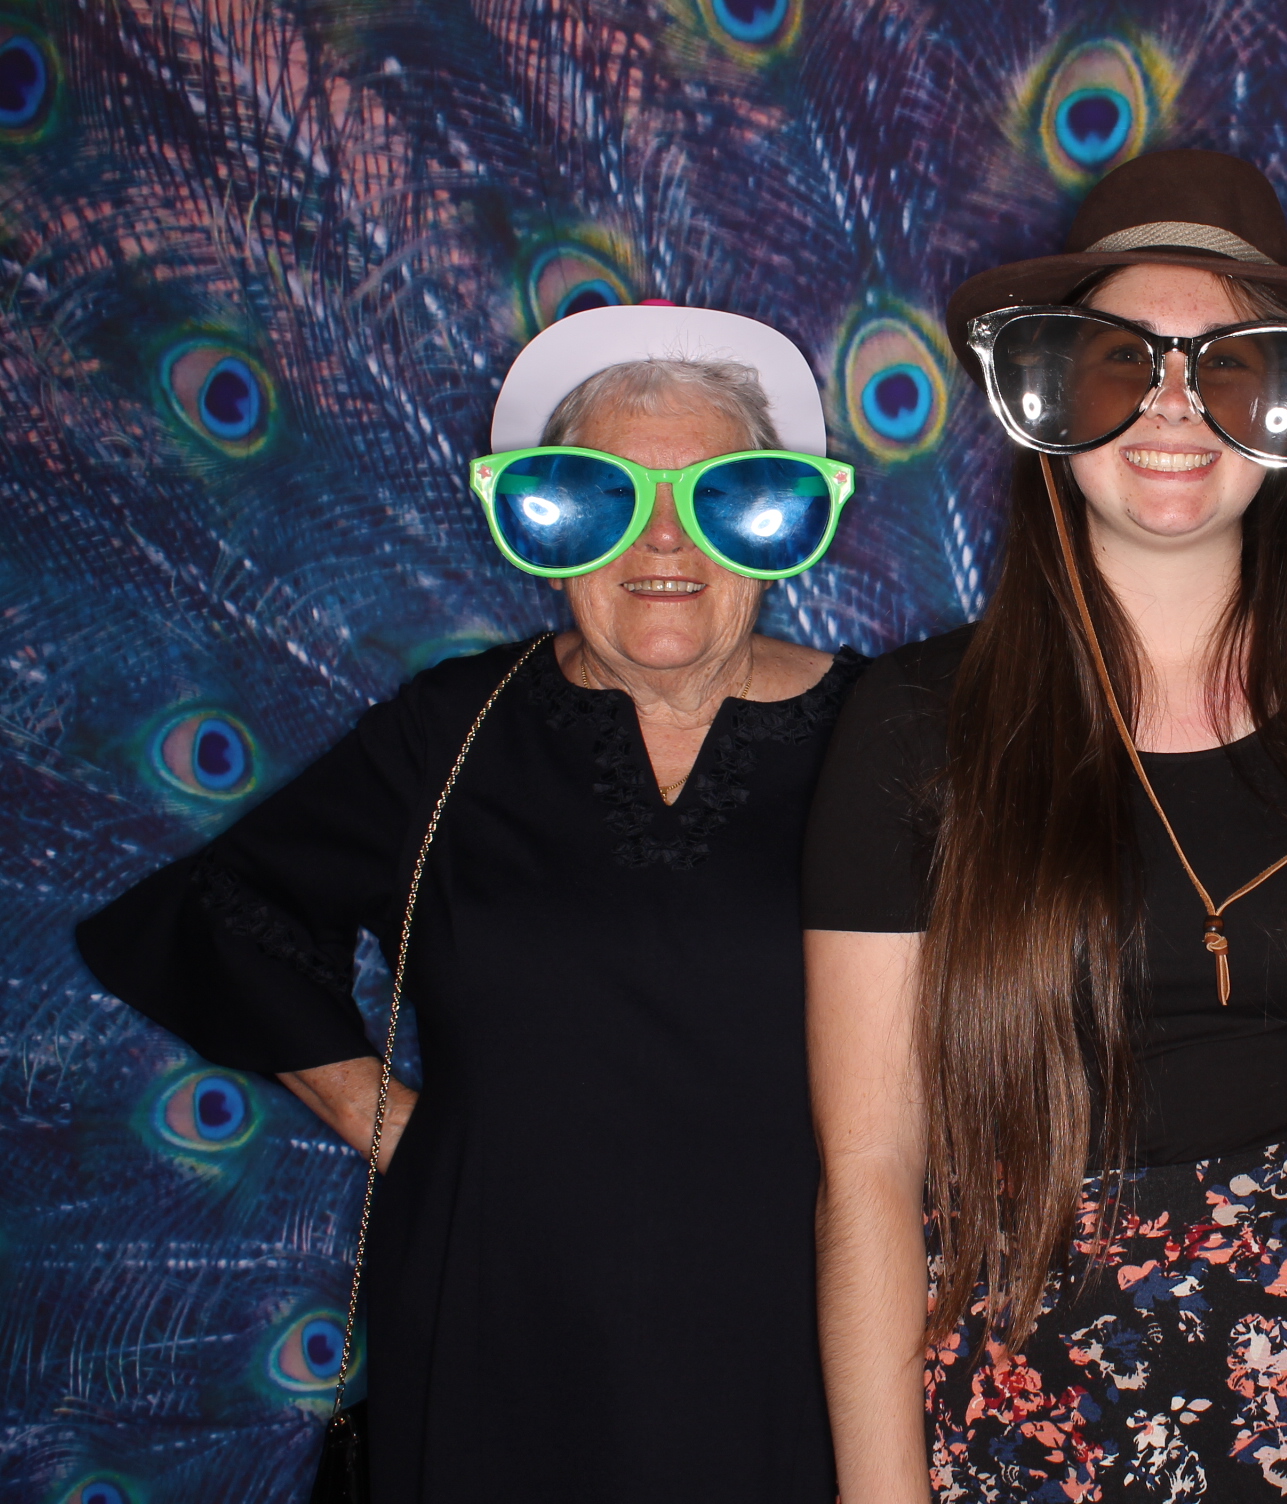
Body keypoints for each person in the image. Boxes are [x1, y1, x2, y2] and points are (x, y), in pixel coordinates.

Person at [802, 149, 1287, 1503]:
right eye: (1121, 362)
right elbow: (869, 1170)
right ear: (1050, 397)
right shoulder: (914, 725)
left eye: (1229, 364)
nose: (1174, 408)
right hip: (1029, 1403)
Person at [75, 304, 865, 1500]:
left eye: (719, 492)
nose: (663, 538)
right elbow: (229, 908)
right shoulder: (454, 732)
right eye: (603, 495)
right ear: (544, 520)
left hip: (793, 1343)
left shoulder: (890, 736)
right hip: (500, 1330)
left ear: (777, 520)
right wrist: (406, 1133)